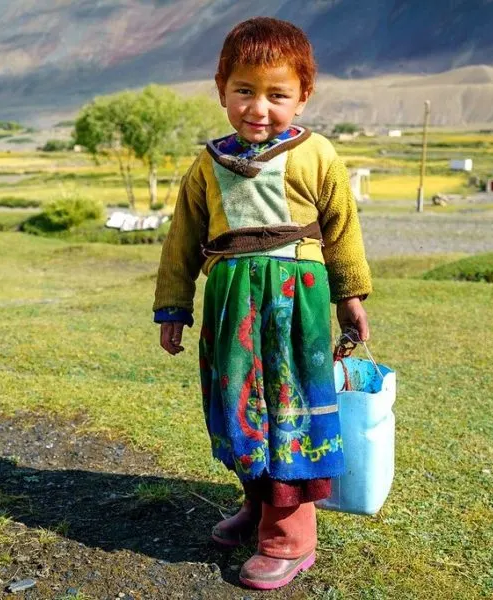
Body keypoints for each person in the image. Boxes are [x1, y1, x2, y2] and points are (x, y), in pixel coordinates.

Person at [153, 16, 372, 590]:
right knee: (242, 406)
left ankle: (290, 538)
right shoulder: (207, 164)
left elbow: (342, 229)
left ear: (303, 97)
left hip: (295, 310)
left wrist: (350, 296)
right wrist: (174, 307)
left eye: (277, 94)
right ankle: (258, 506)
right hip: (231, 310)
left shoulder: (316, 154)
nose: (259, 107)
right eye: (244, 91)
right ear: (221, 89)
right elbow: (182, 241)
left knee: (288, 413)